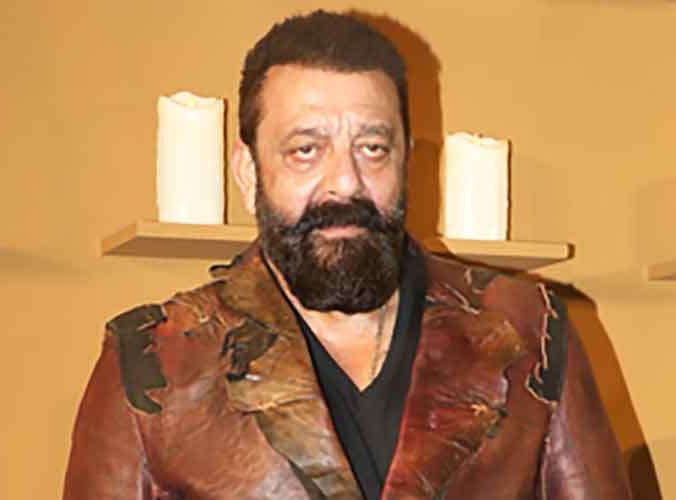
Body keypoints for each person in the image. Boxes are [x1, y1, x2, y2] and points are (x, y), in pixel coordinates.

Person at [63, 10, 631, 500]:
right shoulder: (153, 361)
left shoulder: (531, 330)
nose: (346, 182)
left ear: (406, 161)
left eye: (372, 147)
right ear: (248, 171)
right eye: (306, 150)